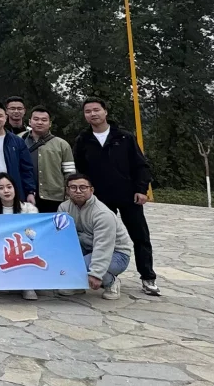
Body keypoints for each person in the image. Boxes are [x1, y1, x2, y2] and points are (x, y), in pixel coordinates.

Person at [73, 97, 158, 296]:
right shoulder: (83, 140)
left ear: (105, 112)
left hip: (128, 196)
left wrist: (141, 189)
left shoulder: (124, 137)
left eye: (96, 110)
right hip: (99, 199)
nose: (93, 114)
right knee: (99, 238)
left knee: (140, 237)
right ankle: (105, 275)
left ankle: (148, 278)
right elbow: (80, 170)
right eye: (88, 111)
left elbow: (140, 165)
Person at [58, 172, 133, 300]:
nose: (78, 191)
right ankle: (79, 284)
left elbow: (103, 246)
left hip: (116, 254)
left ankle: (111, 282)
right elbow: (63, 238)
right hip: (86, 249)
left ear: (91, 190)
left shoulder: (103, 214)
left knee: (80, 265)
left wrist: (96, 274)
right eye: (73, 187)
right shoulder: (63, 208)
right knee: (61, 259)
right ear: (67, 190)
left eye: (83, 187)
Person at [0, 173, 39, 301]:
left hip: (23, 248)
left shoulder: (29, 209)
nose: (6, 191)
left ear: (15, 188)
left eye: (9, 187)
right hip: (1, 248)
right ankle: (3, 278)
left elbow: (35, 234)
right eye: (1, 188)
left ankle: (28, 285)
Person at [25, 105, 76, 213]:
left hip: (54, 197)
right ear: (30, 121)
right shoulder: (20, 140)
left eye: (44, 120)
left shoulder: (62, 144)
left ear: (50, 123)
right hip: (26, 195)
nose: (40, 122)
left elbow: (70, 173)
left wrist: (69, 194)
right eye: (36, 119)